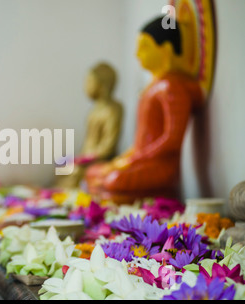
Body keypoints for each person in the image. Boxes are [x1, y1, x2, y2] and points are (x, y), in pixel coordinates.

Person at [85, 16, 204, 204]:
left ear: (165, 49)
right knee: (94, 172)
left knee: (114, 179)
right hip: (141, 160)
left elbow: (171, 141)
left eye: (144, 47)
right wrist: (124, 159)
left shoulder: (172, 86)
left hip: (160, 166)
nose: (137, 54)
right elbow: (142, 141)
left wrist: (133, 160)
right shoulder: (153, 87)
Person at [56, 62, 123, 189]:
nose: (85, 86)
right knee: (61, 169)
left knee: (76, 173)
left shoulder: (113, 109)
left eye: (89, 82)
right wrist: (78, 158)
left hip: (102, 159)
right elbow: (88, 143)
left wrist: (89, 158)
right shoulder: (94, 111)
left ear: (102, 85)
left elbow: (108, 146)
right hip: (87, 158)